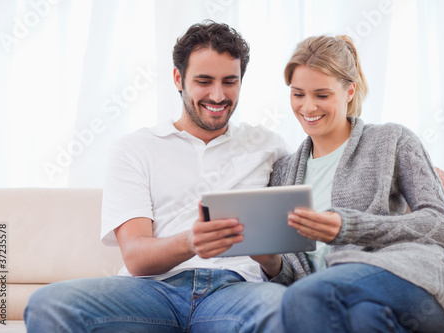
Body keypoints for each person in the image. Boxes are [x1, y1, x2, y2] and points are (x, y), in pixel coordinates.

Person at [24, 20, 288, 332]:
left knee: (286, 307)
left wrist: (269, 259)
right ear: (179, 78)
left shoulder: (269, 146)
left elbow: (285, 257)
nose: (218, 96)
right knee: (49, 304)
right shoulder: (135, 148)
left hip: (237, 290)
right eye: (204, 81)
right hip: (153, 292)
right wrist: (192, 241)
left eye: (229, 82)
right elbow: (136, 256)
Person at [269, 35, 444, 332]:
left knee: (306, 296)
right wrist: (267, 259)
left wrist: (347, 226)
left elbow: (443, 225)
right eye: (298, 94)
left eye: (322, 95)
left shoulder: (391, 140)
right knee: (361, 319)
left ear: (349, 90)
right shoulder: (283, 173)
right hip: (346, 300)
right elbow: (293, 271)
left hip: (413, 278)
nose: (308, 107)